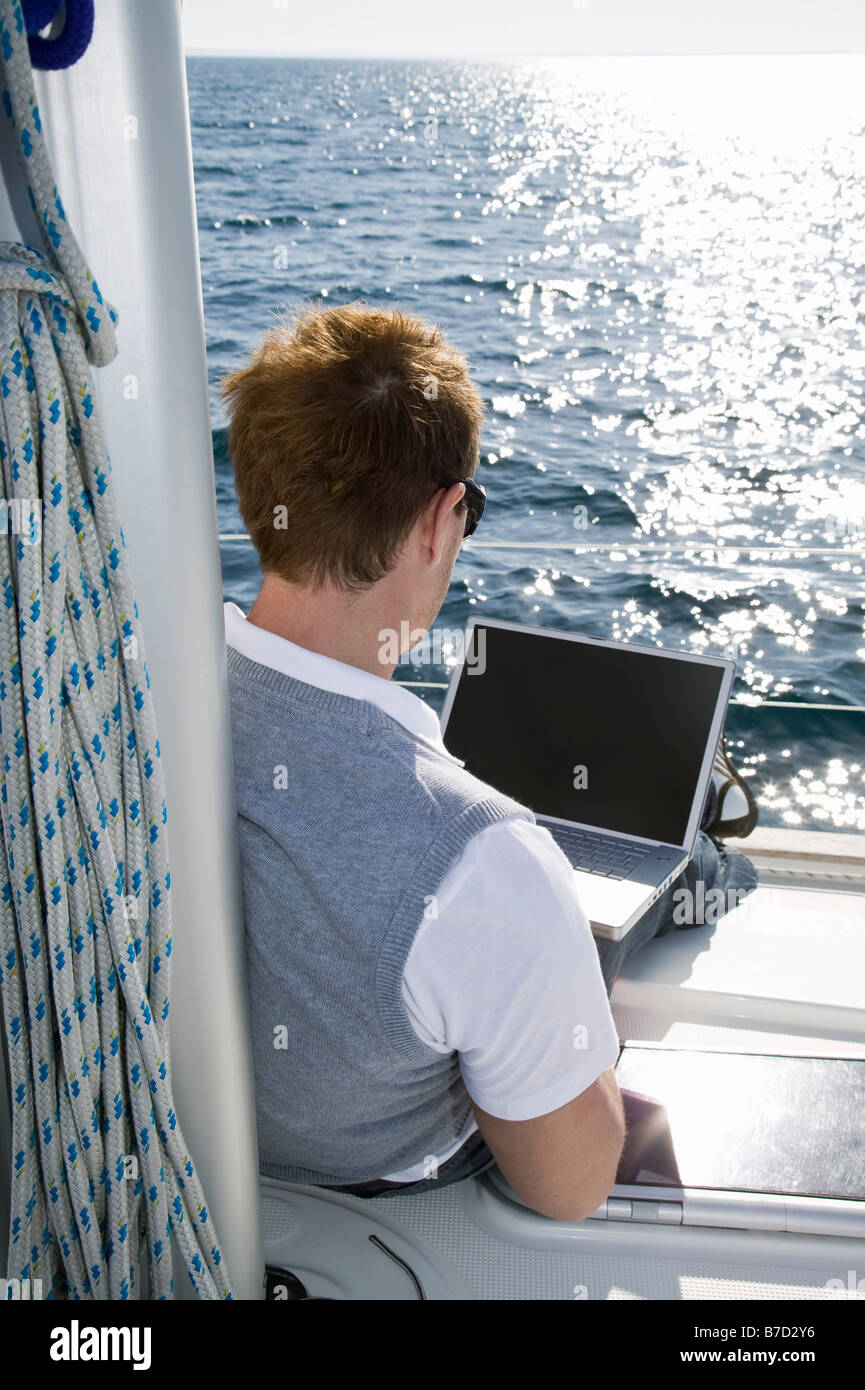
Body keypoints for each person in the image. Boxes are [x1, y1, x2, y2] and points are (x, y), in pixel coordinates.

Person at [220, 302, 757, 1217]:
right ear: (440, 521)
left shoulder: (120, 697)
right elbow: (570, 1187)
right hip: (375, 1206)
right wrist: (547, 981)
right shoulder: (481, 865)